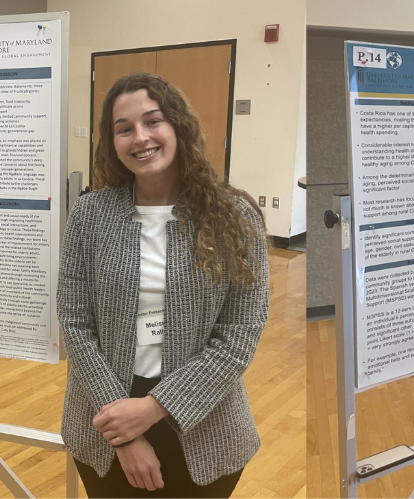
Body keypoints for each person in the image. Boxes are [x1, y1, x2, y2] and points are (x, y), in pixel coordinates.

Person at [59, 72, 268, 498]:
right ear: (112, 141)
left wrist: (154, 409)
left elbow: (239, 335)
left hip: (204, 420)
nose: (140, 138)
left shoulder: (235, 217)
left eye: (153, 121)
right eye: (124, 129)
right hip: (105, 413)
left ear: (178, 126)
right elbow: (75, 322)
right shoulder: (91, 214)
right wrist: (124, 432)